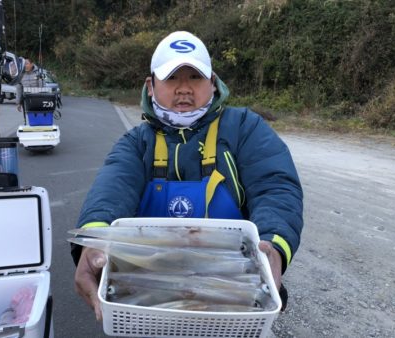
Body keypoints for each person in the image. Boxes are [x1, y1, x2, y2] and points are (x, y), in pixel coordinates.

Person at [71, 31, 304, 321]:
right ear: (151, 86)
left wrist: (275, 246)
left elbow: (276, 188)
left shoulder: (245, 128)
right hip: (150, 292)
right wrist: (93, 239)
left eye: (194, 77)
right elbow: (112, 188)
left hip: (230, 289)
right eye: (171, 78)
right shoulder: (136, 143)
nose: (183, 89)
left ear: (213, 82)